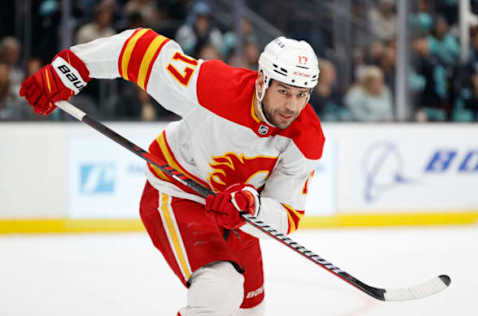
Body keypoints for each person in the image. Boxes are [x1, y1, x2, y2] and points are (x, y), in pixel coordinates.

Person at [19, 29, 325, 315]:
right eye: (284, 91)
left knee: (250, 310)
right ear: (262, 82)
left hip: (234, 213)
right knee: (220, 292)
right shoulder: (216, 87)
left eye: (302, 95)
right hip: (177, 190)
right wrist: (72, 67)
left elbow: (285, 214)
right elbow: (141, 49)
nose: (292, 106)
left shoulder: (306, 137)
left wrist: (251, 205)